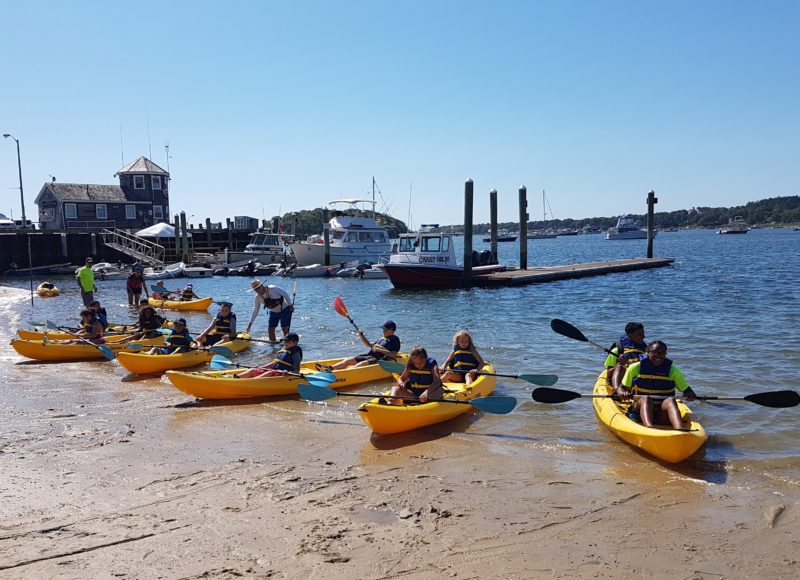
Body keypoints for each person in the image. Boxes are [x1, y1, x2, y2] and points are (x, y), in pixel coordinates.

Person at [620, 340, 697, 430]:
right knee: (646, 398)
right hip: (640, 409)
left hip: (662, 413)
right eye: (655, 352)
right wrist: (623, 393)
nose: (659, 355)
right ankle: (649, 428)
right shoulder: (635, 367)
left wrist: (689, 395)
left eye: (663, 352)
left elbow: (687, 390)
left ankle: (680, 430)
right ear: (647, 352)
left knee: (670, 400)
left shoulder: (673, 370)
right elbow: (621, 388)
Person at [327, 320, 401, 371]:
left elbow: (393, 355)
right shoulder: (381, 339)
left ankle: (343, 373)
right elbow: (368, 345)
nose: (383, 330)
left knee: (362, 363)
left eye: (385, 329)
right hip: (369, 356)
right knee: (348, 360)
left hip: (380, 360)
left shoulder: (395, 339)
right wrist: (361, 335)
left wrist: (379, 350)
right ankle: (330, 368)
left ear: (392, 330)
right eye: (383, 329)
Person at [605, 322, 648, 391]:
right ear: (630, 335)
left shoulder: (646, 351)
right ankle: (617, 391)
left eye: (643, 334)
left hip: (637, 382)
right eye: (639, 334)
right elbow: (608, 373)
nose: (643, 337)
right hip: (622, 382)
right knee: (620, 367)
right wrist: (620, 363)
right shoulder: (617, 351)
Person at [238, 333, 302, 378]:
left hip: (282, 374)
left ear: (295, 342)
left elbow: (297, 370)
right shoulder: (284, 349)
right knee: (253, 370)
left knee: (270, 372)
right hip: (274, 371)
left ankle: (251, 382)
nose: (285, 343)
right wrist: (262, 367)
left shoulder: (295, 353)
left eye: (288, 342)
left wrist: (287, 372)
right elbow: (274, 363)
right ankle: (236, 378)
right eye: (285, 341)